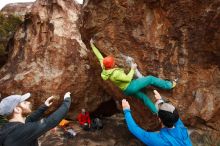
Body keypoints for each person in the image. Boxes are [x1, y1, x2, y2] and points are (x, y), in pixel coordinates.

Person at [90, 40, 177, 114]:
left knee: (144, 97)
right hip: (131, 86)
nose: (115, 62)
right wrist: (133, 69)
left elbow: (99, 56)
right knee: (150, 78)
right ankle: (169, 85)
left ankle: (155, 112)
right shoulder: (115, 74)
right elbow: (127, 78)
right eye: (113, 63)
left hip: (126, 91)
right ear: (112, 65)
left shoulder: (104, 67)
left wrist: (92, 45)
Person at [122, 90, 192, 146]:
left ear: (160, 119)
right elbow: (171, 114)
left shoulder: (160, 141)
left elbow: (134, 129)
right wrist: (160, 101)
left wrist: (126, 110)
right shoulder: (182, 129)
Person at [0, 92, 72, 146]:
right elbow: (49, 122)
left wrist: (44, 106)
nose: (28, 102)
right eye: (24, 102)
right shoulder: (21, 130)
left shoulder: (8, 128)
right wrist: (67, 100)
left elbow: (29, 120)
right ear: (17, 110)